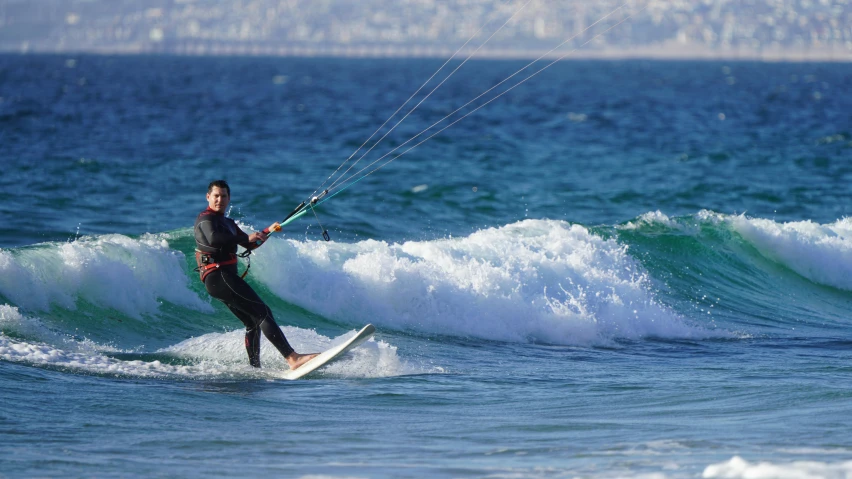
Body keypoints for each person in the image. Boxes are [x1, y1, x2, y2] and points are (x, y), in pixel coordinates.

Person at [194, 180, 317, 370]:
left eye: (224, 196)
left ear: (229, 198)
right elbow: (214, 239)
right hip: (217, 275)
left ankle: (254, 368)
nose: (220, 199)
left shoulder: (228, 223)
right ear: (208, 197)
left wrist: (266, 232)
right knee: (263, 312)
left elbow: (249, 244)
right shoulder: (206, 219)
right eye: (216, 196)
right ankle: (292, 358)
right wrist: (245, 238)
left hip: (223, 278)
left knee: (252, 322)